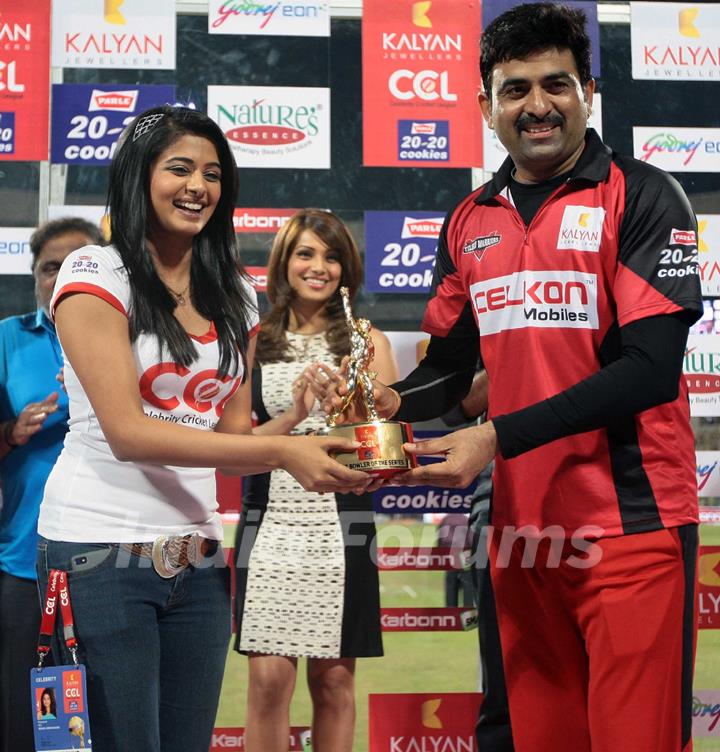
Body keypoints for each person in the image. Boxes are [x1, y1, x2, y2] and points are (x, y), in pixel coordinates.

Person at [323, 5, 701, 752]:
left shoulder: (646, 195)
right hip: (523, 537)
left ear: (588, 90)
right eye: (515, 88)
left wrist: (494, 435)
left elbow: (650, 373)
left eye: (555, 84)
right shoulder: (470, 219)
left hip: (632, 526)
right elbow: (450, 368)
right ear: (484, 105)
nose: (537, 105)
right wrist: (394, 401)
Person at [35, 108, 370, 752]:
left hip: (199, 559)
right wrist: (285, 449)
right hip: (98, 552)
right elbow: (130, 434)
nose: (198, 187)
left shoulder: (236, 294)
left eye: (212, 174)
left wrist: (296, 427)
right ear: (140, 176)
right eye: (180, 168)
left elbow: (236, 444)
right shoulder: (94, 273)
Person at [234, 208, 399, 752]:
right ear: (284, 262)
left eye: (331, 256)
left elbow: (383, 451)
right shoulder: (254, 339)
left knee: (333, 682)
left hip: (340, 525)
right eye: (305, 253)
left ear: (347, 267)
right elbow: (237, 449)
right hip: (270, 523)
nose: (318, 266)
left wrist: (347, 416)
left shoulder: (365, 339)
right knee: (267, 683)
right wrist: (295, 413)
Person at [0, 217, 103, 752]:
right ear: (35, 276)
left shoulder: (130, 339)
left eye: (77, 264)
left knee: (102, 717)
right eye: (49, 268)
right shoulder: (6, 338)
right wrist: (10, 433)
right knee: (25, 721)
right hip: (23, 558)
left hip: (109, 559)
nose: (60, 276)